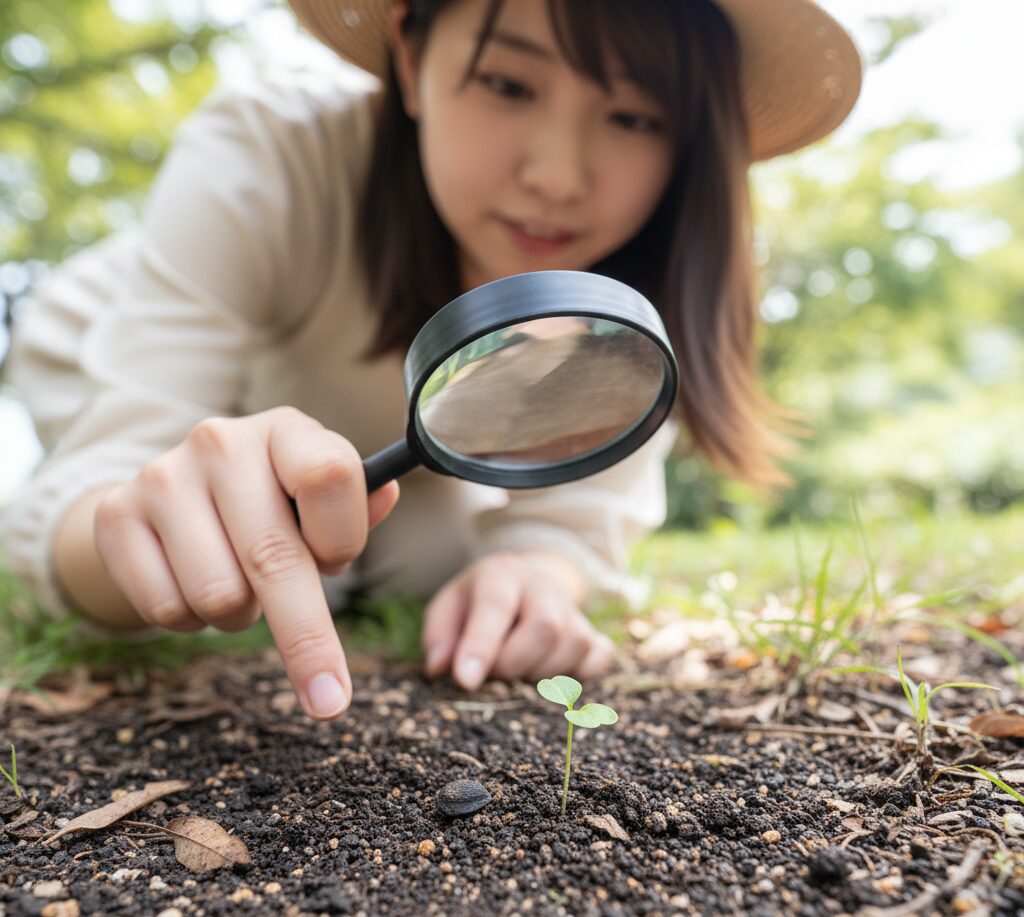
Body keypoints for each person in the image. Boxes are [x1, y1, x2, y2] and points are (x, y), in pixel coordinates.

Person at [0, 0, 861, 721]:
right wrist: (127, 530)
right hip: (96, 343)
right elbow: (98, 489)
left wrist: (535, 573)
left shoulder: (634, 297)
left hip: (409, 451)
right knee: (249, 553)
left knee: (430, 566)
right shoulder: (268, 151)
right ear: (411, 58)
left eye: (636, 116)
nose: (559, 175)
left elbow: (571, 526)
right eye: (508, 83)